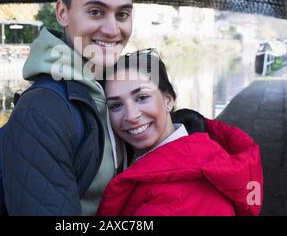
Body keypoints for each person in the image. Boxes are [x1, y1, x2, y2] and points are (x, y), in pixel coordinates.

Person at [1, 0, 134, 215]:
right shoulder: (40, 113)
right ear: (62, 13)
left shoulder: (116, 88)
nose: (112, 29)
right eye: (96, 12)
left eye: (122, 14)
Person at [97, 49, 263, 216]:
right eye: (116, 105)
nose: (131, 116)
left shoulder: (177, 193)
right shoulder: (201, 153)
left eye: (141, 97)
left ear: (168, 100)